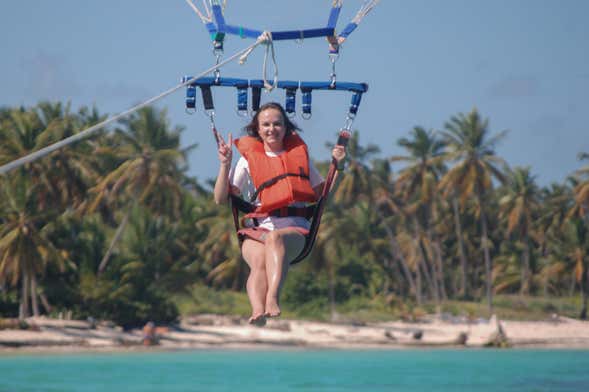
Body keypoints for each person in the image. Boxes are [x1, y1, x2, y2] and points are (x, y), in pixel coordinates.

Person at [214, 102, 346, 326]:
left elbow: (323, 195)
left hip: (295, 231)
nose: (271, 129)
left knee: (275, 238)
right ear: (257, 129)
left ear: (286, 127)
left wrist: (338, 167)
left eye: (277, 124)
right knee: (258, 261)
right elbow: (220, 199)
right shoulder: (247, 160)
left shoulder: (299, 156)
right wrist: (225, 165)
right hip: (258, 229)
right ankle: (257, 310)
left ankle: (272, 298)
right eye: (265, 124)